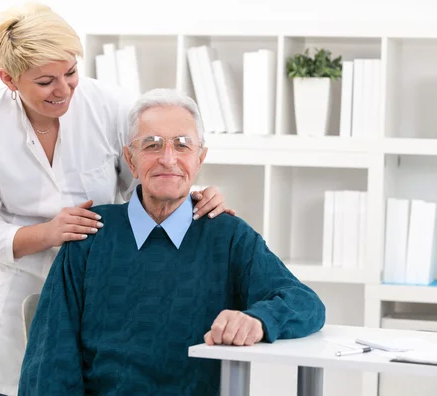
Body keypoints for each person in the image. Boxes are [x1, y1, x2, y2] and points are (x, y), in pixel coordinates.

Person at [0, 3, 232, 396]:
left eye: (70, 72)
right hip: (18, 290)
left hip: (99, 290)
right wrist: (48, 233)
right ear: (9, 79)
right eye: (46, 81)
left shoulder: (109, 105)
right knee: (22, 386)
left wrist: (195, 194)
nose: (64, 89)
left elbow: (148, 170)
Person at [18, 88, 326, 396]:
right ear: (131, 160)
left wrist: (259, 319)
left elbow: (305, 303)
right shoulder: (90, 234)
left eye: (182, 145)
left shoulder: (228, 236)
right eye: (152, 145)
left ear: (199, 158)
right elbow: (49, 359)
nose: (168, 159)